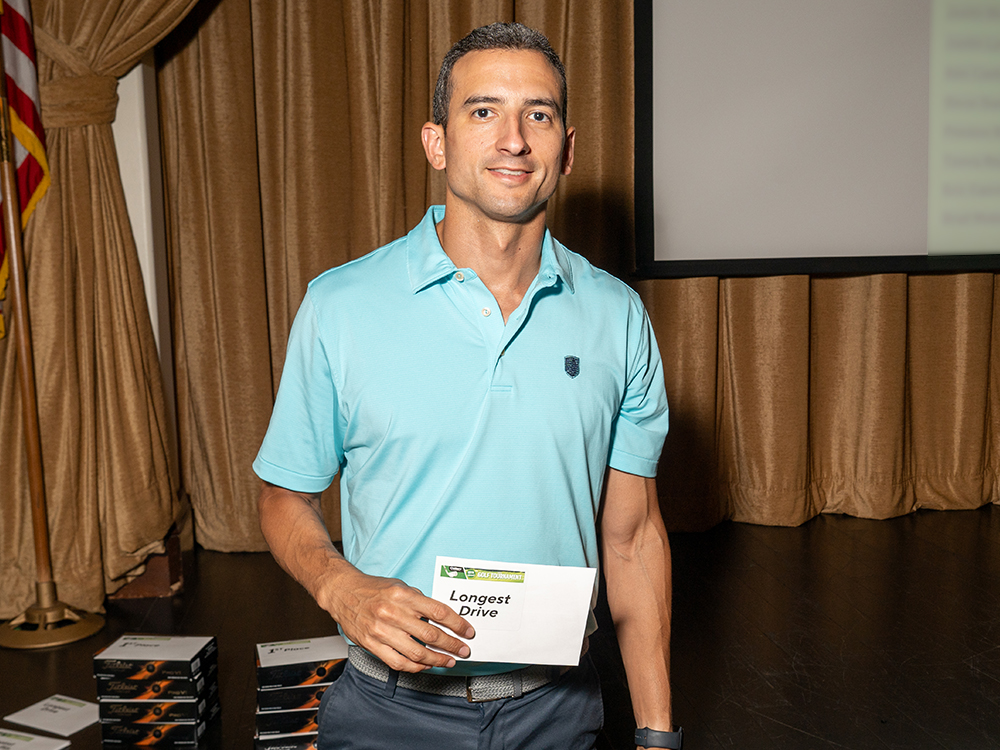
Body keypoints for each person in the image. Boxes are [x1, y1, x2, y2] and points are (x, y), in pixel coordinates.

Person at [254, 22, 680, 750]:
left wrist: (658, 732)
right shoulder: (340, 306)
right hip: (390, 713)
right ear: (437, 142)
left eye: (537, 114)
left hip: (560, 711)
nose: (513, 139)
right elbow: (282, 495)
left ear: (566, 149)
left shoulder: (618, 316)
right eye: (483, 111)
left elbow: (634, 539)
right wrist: (340, 588)